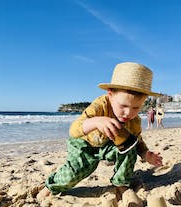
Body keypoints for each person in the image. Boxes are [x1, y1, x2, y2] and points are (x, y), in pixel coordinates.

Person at [38, 62, 163, 199]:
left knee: (129, 147)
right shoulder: (100, 106)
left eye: (136, 108)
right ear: (110, 95)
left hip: (108, 146)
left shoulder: (134, 121)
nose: (128, 113)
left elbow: (137, 142)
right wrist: (96, 121)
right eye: (123, 106)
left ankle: (121, 183)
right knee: (76, 172)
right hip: (84, 144)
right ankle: (50, 186)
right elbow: (74, 130)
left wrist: (146, 154)